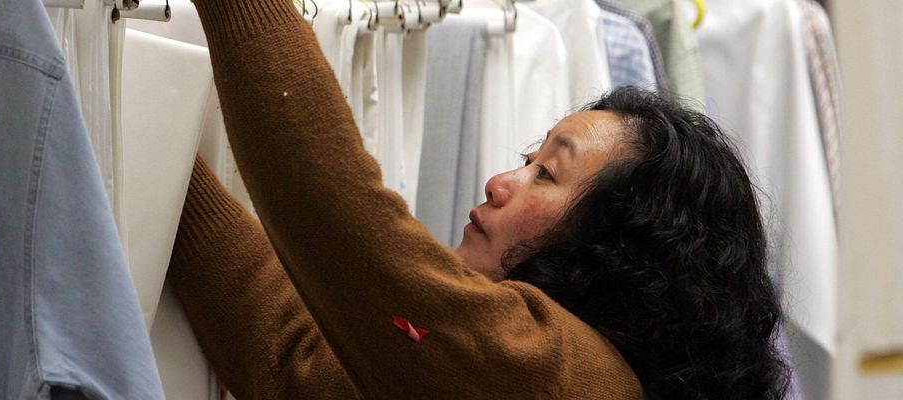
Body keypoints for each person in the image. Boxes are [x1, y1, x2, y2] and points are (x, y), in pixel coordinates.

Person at [165, 0, 790, 398]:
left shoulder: (564, 378)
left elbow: (349, 227)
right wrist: (144, 142)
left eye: (546, 174)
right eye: (527, 160)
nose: (500, 183)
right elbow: (297, 360)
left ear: (620, 246)